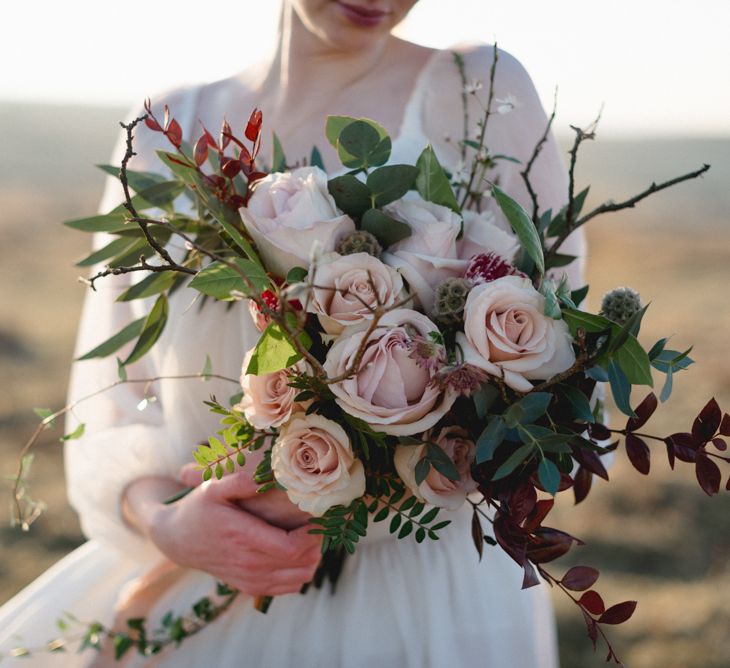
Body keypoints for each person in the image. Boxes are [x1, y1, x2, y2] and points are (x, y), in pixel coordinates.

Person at [0, 1, 585, 665]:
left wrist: (334, 490)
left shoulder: (481, 88)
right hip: (209, 576)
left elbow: (556, 367)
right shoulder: (168, 130)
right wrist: (168, 523)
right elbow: (117, 395)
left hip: (421, 595)